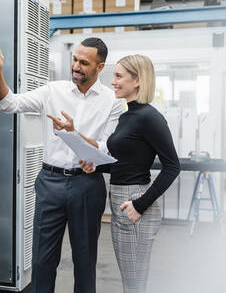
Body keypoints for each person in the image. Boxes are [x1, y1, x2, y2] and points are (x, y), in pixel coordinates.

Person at [0, 37, 123, 293]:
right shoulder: (52, 90)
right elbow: (9, 103)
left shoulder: (113, 101)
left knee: (84, 260)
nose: (76, 66)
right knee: (42, 260)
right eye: (75, 59)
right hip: (50, 183)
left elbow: (107, 146)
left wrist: (74, 134)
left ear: (99, 67)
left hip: (87, 186)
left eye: (84, 63)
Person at [77, 54, 181, 293]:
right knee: (131, 282)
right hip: (123, 202)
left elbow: (172, 166)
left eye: (118, 76)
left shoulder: (150, 118)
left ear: (137, 80)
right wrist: (97, 166)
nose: (112, 81)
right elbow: (125, 163)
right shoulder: (127, 116)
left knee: (134, 284)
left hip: (135, 205)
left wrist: (140, 205)